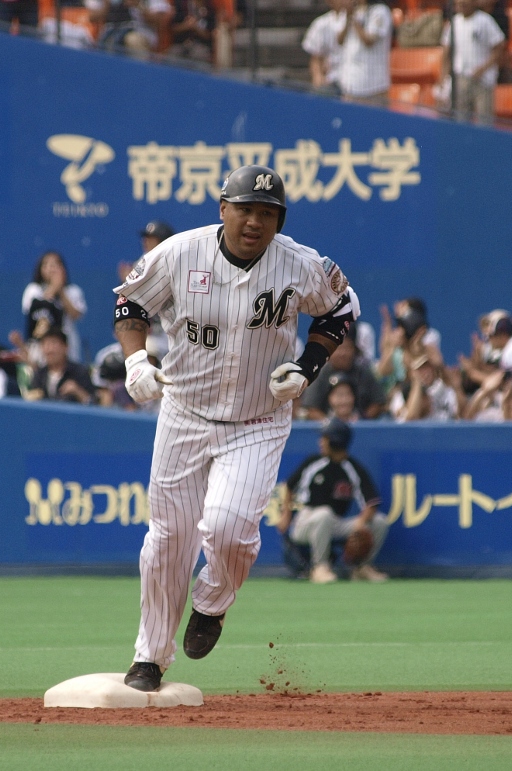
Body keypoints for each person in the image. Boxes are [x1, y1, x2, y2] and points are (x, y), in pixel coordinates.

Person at [113, 165, 360, 692]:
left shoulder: (300, 263)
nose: (255, 221)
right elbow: (130, 302)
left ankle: (214, 601)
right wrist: (135, 362)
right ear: (222, 208)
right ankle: (150, 658)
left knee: (227, 528)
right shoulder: (180, 253)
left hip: (258, 419)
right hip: (184, 412)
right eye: (245, 208)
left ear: (280, 219)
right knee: (168, 539)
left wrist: (306, 367)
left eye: (267, 212)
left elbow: (339, 311)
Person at [277, 418, 388, 584]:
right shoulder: (314, 463)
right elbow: (289, 487)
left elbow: (371, 503)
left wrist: (361, 523)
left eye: (325, 438)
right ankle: (320, 568)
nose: (321, 442)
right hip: (306, 521)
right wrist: (286, 514)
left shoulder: (352, 468)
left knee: (380, 522)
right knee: (324, 514)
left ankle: (361, 569)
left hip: (335, 522)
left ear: (336, 441)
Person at [299, 326, 387, 420]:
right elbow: (311, 409)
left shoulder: (363, 371)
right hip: (326, 428)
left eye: (347, 348)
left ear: (354, 349)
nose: (343, 353)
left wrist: (361, 421)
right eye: (338, 348)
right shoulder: (319, 373)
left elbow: (378, 403)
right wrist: (332, 425)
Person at [441, 0, 506, 124]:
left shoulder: (485, 20)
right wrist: (443, 79)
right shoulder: (454, 23)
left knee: (484, 121)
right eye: (459, 2)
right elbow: (446, 53)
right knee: (460, 120)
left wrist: (483, 67)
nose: (461, 3)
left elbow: (500, 46)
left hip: (483, 80)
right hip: (461, 79)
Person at [22, 251, 87, 363]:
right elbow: (37, 310)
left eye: (55, 265)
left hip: (67, 342)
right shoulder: (33, 289)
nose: (51, 269)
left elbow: (75, 315)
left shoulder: (73, 291)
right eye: (46, 265)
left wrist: (60, 291)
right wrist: (53, 288)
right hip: (40, 345)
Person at [335, 0, 392, 104]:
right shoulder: (347, 12)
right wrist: (348, 17)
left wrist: (355, 21)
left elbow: (369, 41)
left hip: (374, 84)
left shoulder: (380, 11)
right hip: (350, 80)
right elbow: (339, 40)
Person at [24, 327, 97, 405]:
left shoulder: (80, 372)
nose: (49, 350)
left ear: (65, 347)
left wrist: (78, 391)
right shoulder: (39, 375)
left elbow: (94, 405)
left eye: (54, 343)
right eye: (45, 344)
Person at [87, 0, 173, 56]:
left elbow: (160, 21)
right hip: (112, 31)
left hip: (141, 33)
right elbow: (92, 18)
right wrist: (107, 4)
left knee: (132, 39)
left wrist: (138, 5)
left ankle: (139, 75)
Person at [388, 355, 459, 421]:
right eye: (420, 370)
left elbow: (461, 417)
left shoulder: (442, 388)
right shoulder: (403, 393)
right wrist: (417, 383)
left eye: (427, 368)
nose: (425, 373)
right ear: (411, 373)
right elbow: (411, 418)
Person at [303, 0, 345, 95]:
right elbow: (316, 58)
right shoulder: (321, 24)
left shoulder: (359, 22)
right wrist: (318, 77)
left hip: (355, 82)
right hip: (331, 80)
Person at [166, 0, 216, 64]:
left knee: (198, 55)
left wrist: (196, 28)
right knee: (173, 54)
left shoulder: (210, 8)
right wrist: (185, 26)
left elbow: (210, 35)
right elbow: (172, 29)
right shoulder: (181, 4)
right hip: (181, 43)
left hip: (201, 45)